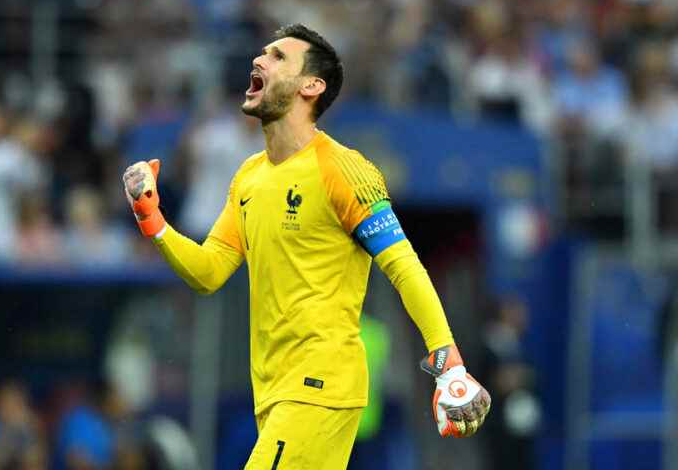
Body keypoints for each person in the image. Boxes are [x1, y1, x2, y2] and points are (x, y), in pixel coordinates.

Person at [123, 24, 490, 468]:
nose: (259, 61)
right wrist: (153, 218)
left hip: (319, 385)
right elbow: (209, 271)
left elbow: (404, 266)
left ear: (311, 86)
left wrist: (447, 360)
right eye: (262, 54)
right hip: (274, 392)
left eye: (278, 57)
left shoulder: (343, 170)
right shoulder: (248, 177)